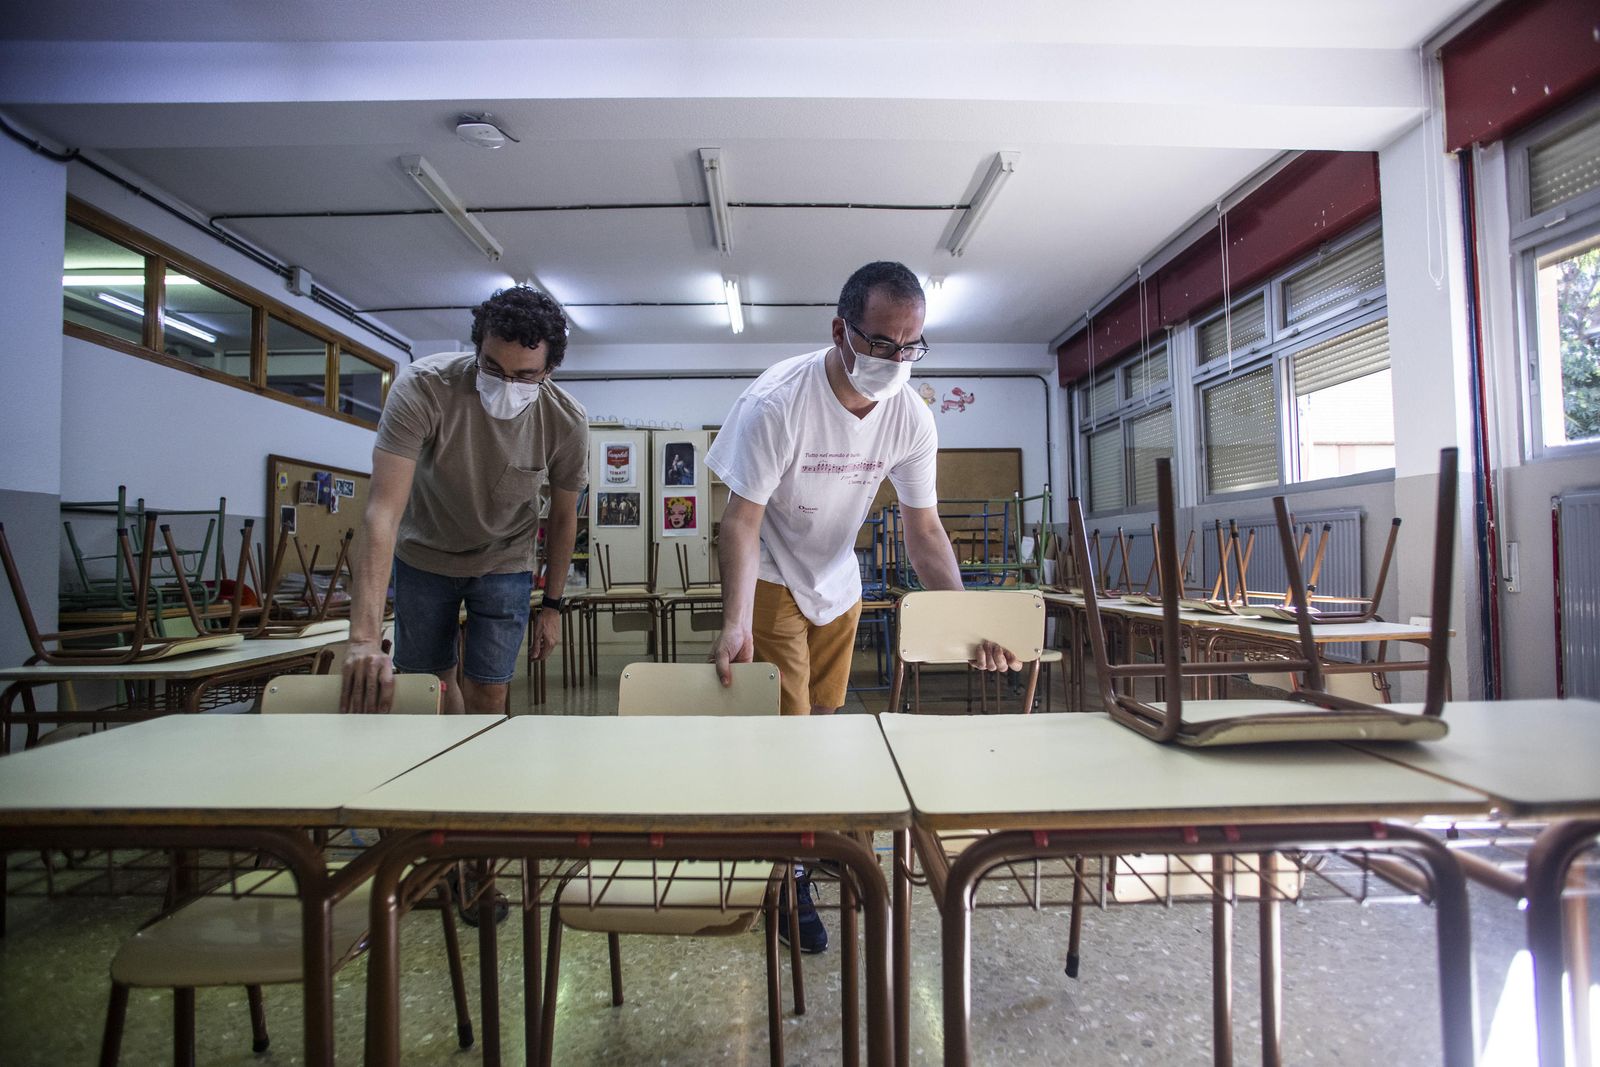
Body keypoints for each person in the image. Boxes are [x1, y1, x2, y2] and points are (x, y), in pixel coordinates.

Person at [706, 260, 1019, 953]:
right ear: (841, 330)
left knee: (823, 723)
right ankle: (787, 880)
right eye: (882, 343)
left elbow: (924, 529)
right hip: (772, 576)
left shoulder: (910, 414)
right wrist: (733, 619)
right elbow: (740, 523)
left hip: (837, 581)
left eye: (912, 346)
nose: (897, 359)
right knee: (785, 733)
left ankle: (813, 839)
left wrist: (963, 619)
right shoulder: (778, 402)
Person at [341, 286, 587, 717]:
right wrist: (362, 639)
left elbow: (566, 518)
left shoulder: (565, 420)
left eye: (525, 375)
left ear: (550, 369)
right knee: (429, 689)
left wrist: (552, 606)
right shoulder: (424, 388)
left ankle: (480, 778)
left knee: (490, 691)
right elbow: (382, 511)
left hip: (505, 562)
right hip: (424, 555)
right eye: (491, 367)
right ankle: (448, 772)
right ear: (477, 349)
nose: (506, 385)